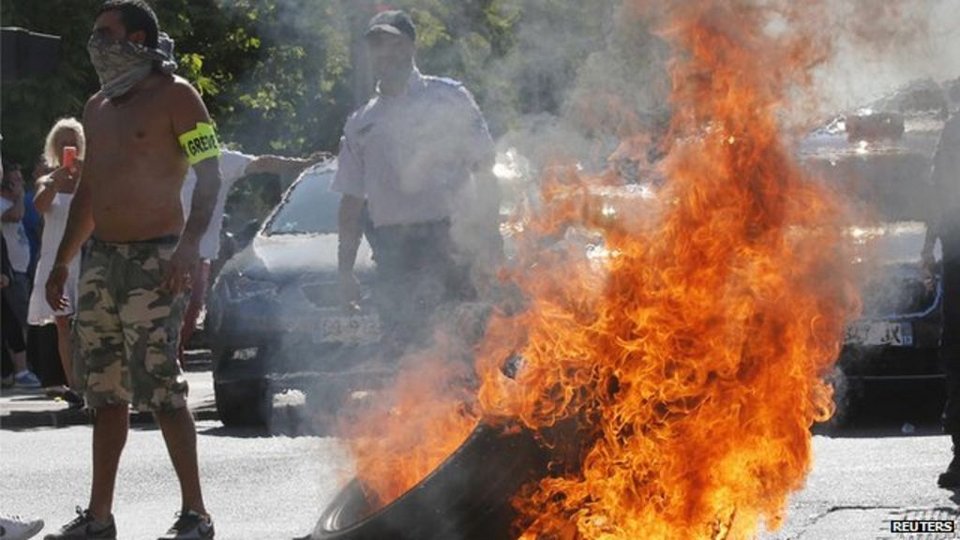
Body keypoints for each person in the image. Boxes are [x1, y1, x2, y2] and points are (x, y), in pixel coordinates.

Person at [43, 1, 220, 538]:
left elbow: (209, 176)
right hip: (103, 262)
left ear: (138, 39)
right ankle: (99, 517)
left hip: (156, 262)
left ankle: (195, 513)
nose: (95, 42)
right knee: (104, 393)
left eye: (106, 33)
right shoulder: (97, 107)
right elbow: (90, 193)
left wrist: (189, 248)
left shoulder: (178, 98)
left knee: (162, 390)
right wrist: (62, 262)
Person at [332, 10, 501, 358]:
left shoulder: (448, 97)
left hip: (451, 242)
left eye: (394, 43)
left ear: (411, 46)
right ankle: (423, 413)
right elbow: (351, 202)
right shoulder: (361, 121)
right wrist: (345, 272)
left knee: (464, 347)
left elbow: (484, 167)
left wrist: (489, 238)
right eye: (378, 45)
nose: (386, 53)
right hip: (393, 250)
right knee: (407, 353)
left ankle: (471, 411)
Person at [177, 148, 322, 360]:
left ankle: (166, 379)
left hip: (194, 258)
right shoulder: (156, 157)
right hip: (161, 254)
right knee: (161, 329)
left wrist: (303, 164)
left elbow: (263, 162)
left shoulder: (218, 159)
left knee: (180, 328)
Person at [28, 118, 86, 406]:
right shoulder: (47, 178)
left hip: (84, 259)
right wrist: (55, 181)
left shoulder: (89, 178)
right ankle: (74, 385)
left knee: (88, 323)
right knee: (63, 324)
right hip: (55, 259)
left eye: (73, 142)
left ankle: (93, 382)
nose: (68, 147)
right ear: (54, 146)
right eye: (62, 142)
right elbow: (39, 206)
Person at [923, 88, 960, 488]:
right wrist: (927, 246)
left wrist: (927, 247)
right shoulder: (953, 133)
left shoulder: (953, 132)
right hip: (957, 257)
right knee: (957, 358)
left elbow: (938, 195)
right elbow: (940, 196)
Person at [1, 161, 41, 389]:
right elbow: (15, 216)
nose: (21, 185)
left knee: (22, 319)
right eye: (15, 181)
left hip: (20, 270)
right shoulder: (4, 204)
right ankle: (22, 369)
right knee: (18, 320)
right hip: (11, 273)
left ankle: (25, 367)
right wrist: (18, 197)